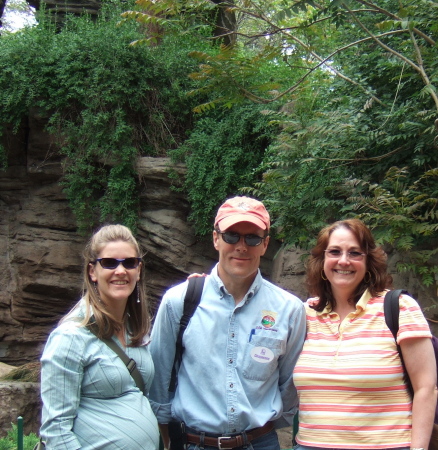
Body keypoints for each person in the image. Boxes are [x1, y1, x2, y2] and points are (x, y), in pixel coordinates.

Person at [149, 196, 306, 450]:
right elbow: (159, 379)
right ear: (216, 238)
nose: (241, 246)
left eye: (252, 238)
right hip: (193, 443)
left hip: (260, 442)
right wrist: (167, 439)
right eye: (232, 235)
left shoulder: (289, 309)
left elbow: (289, 383)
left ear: (265, 244)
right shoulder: (179, 301)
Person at [293, 218, 437, 450]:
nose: (343, 261)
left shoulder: (399, 308)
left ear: (369, 261)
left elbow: (426, 387)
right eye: (335, 252)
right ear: (322, 260)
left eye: (355, 253)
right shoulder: (305, 314)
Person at [40, 224, 160, 449]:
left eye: (129, 262)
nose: (121, 270)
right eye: (109, 263)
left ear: (139, 270)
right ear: (92, 272)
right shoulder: (70, 337)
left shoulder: (135, 330)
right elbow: (56, 430)